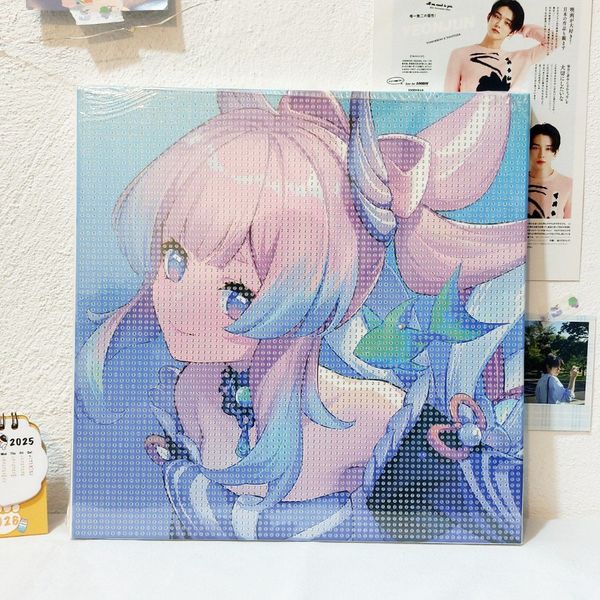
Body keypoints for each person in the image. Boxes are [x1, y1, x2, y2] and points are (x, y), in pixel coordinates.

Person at [75, 92, 526, 541]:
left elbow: (459, 548)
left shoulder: (376, 421)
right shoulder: (189, 392)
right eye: (175, 259)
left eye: (237, 294)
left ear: (313, 302)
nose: (180, 303)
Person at [444, 1, 553, 92]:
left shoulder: (518, 59)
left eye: (507, 23)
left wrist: (524, 30)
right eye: (497, 16)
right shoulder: (459, 55)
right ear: (489, 17)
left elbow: (554, 41)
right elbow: (448, 100)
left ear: (512, 31)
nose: (499, 24)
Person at [528, 123, 573, 219]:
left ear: (555, 152)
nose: (541, 154)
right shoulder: (516, 183)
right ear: (528, 150)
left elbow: (571, 225)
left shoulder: (568, 184)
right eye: (535, 148)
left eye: (548, 149)